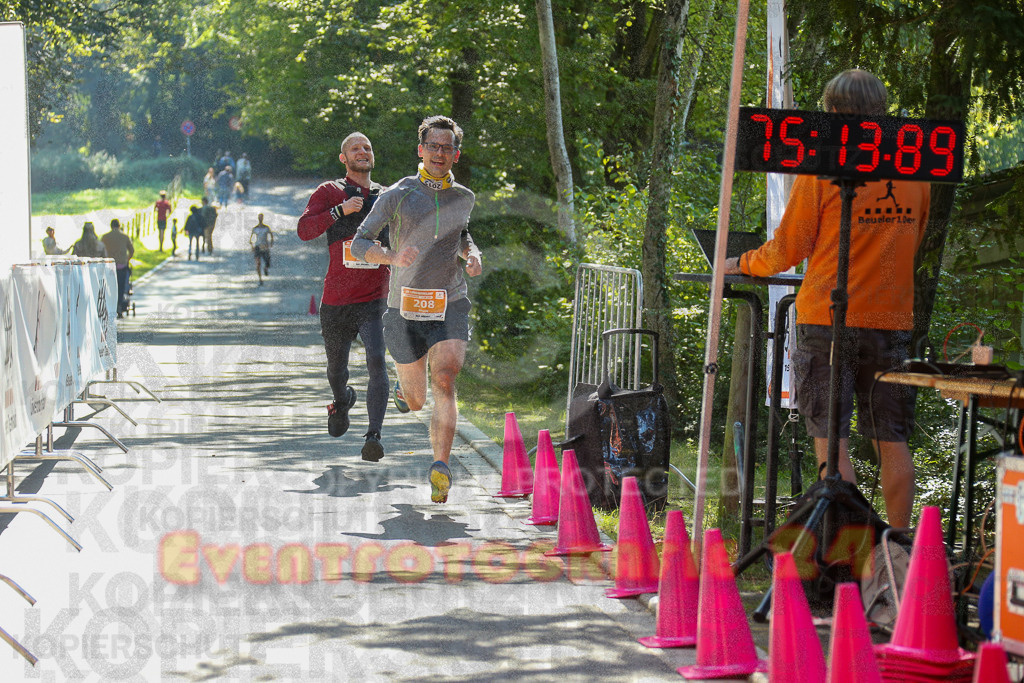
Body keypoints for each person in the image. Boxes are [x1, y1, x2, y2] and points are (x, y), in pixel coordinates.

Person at [724, 69, 929, 529]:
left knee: (830, 441)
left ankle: (845, 553)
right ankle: (898, 551)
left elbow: (787, 249)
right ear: (882, 109)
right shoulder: (916, 168)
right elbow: (915, 237)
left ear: (833, 111)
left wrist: (741, 262)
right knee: (891, 441)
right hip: (891, 320)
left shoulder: (823, 165)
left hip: (827, 321)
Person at [351, 116, 483, 503]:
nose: (440, 153)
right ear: (420, 150)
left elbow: (461, 233)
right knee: (416, 400)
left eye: (447, 147)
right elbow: (361, 243)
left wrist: (471, 253)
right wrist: (392, 256)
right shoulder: (397, 194)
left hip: (450, 299)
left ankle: (440, 466)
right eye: (434, 146)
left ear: (455, 155)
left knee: (446, 377)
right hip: (405, 306)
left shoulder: (464, 197)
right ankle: (403, 391)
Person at [297, 132, 391, 462]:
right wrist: (340, 211)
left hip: (374, 299)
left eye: (367, 147)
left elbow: (407, 239)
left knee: (377, 359)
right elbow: (304, 229)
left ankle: (374, 436)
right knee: (336, 370)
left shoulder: (386, 196)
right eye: (355, 148)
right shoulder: (330, 191)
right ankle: (341, 400)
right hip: (336, 301)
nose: (363, 151)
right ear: (344, 158)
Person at [101, 218, 135, 317]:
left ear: (111, 226)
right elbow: (132, 250)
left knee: (109, 287)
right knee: (120, 287)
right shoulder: (125, 236)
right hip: (121, 265)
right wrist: (127, 259)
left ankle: (110, 306)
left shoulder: (105, 237)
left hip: (109, 266)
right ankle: (119, 306)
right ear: (119, 226)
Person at [249, 213, 273, 286]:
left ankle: (265, 269)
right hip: (258, 247)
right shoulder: (255, 228)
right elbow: (250, 239)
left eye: (261, 218)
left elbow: (271, 236)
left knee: (267, 262)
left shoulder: (266, 228)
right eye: (259, 218)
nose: (260, 219)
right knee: (258, 264)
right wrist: (252, 246)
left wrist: (270, 243)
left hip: (265, 247)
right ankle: (260, 279)